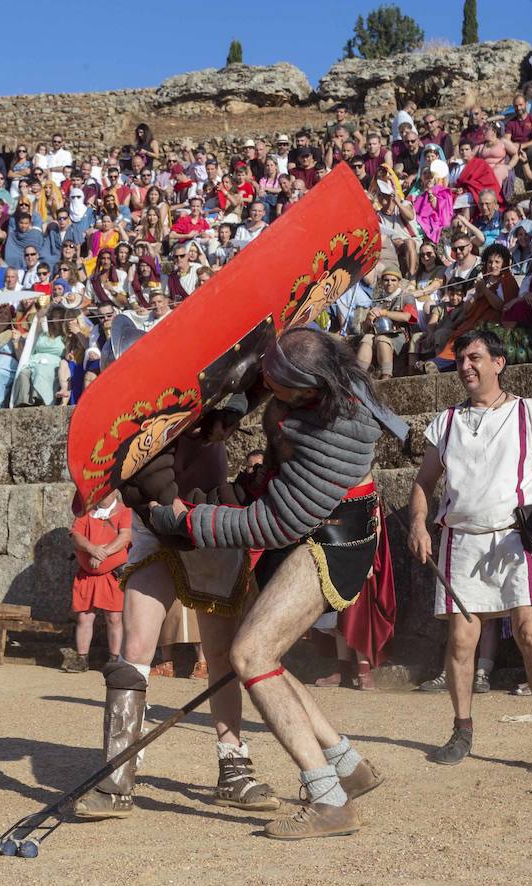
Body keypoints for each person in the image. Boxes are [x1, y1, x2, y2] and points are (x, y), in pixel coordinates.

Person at [143, 329, 404, 839]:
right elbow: (265, 380)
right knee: (268, 656)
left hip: (331, 542)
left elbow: (274, 522)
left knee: (251, 655)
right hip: (314, 530)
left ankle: (329, 800)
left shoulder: (339, 433)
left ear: (307, 389)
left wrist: (191, 521)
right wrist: (231, 410)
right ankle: (347, 765)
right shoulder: (318, 380)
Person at [75, 395, 282, 823]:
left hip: (210, 525)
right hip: (158, 529)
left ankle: (233, 767)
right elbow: (145, 485)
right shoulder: (156, 425)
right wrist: (166, 509)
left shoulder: (216, 440)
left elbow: (215, 491)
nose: (226, 432)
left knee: (222, 655)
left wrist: (243, 490)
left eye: (233, 424)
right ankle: (118, 773)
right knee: (133, 649)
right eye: (222, 422)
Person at [408, 329, 532, 778]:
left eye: (475, 357)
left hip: (514, 538)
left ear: (498, 363)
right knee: (462, 640)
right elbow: (424, 483)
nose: (465, 365)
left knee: (528, 632)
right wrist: (419, 523)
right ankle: (462, 729)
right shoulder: (443, 423)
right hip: (462, 540)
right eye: (461, 358)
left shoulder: (528, 413)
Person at [66, 492, 133, 674]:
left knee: (114, 618)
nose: (103, 494)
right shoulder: (85, 513)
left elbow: (125, 537)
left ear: (115, 493)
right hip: (88, 576)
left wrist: (103, 554)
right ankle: (81, 659)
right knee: (84, 617)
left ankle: (114, 660)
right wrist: (92, 549)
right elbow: (76, 536)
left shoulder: (124, 512)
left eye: (108, 490)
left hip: (112, 575)